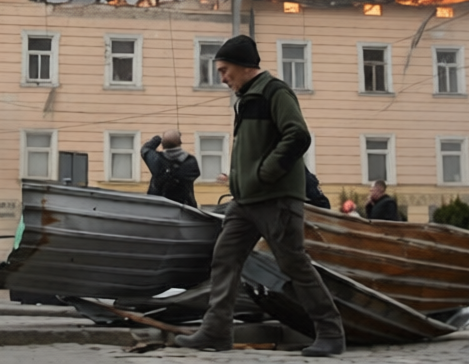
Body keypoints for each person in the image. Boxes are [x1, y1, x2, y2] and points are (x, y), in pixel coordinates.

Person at [176, 35, 345, 357]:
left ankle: (330, 332)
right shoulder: (246, 98)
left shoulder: (274, 91)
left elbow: (298, 135)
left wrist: (264, 174)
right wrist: (243, 182)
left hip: (276, 198)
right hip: (245, 201)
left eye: (225, 70)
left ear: (243, 67)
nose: (222, 78)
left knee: (294, 264)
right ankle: (216, 330)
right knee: (225, 259)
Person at [141, 129, 200, 207]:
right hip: (183, 208)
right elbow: (195, 174)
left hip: (156, 206)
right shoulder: (190, 161)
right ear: (180, 143)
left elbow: (145, 150)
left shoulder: (156, 160)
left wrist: (157, 139)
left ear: (163, 145)